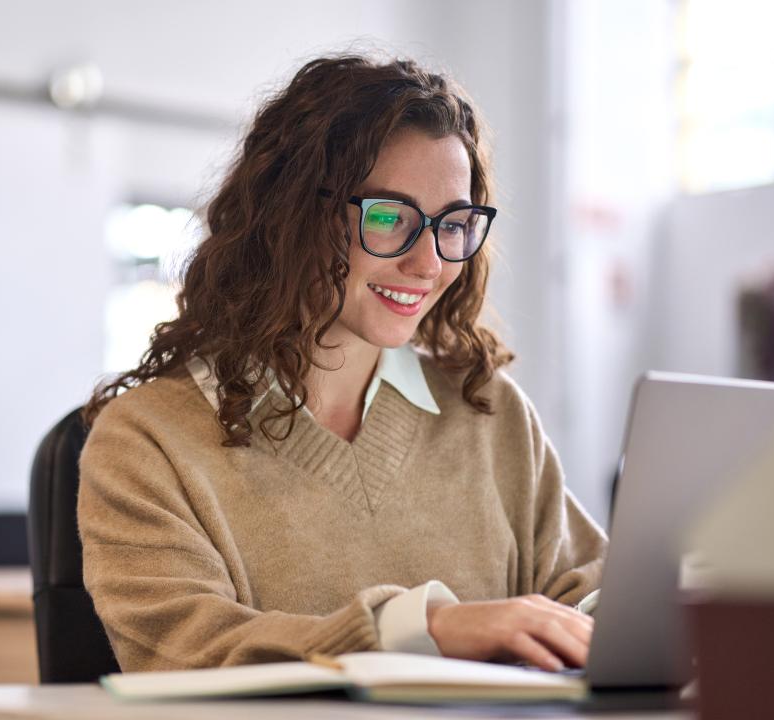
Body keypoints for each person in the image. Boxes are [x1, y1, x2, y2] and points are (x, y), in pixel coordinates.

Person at [77, 53, 606, 674]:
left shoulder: (490, 413)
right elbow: (188, 650)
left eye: (454, 224)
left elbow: (589, 600)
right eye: (388, 217)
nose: (430, 265)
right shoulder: (147, 441)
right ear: (289, 216)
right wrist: (425, 629)